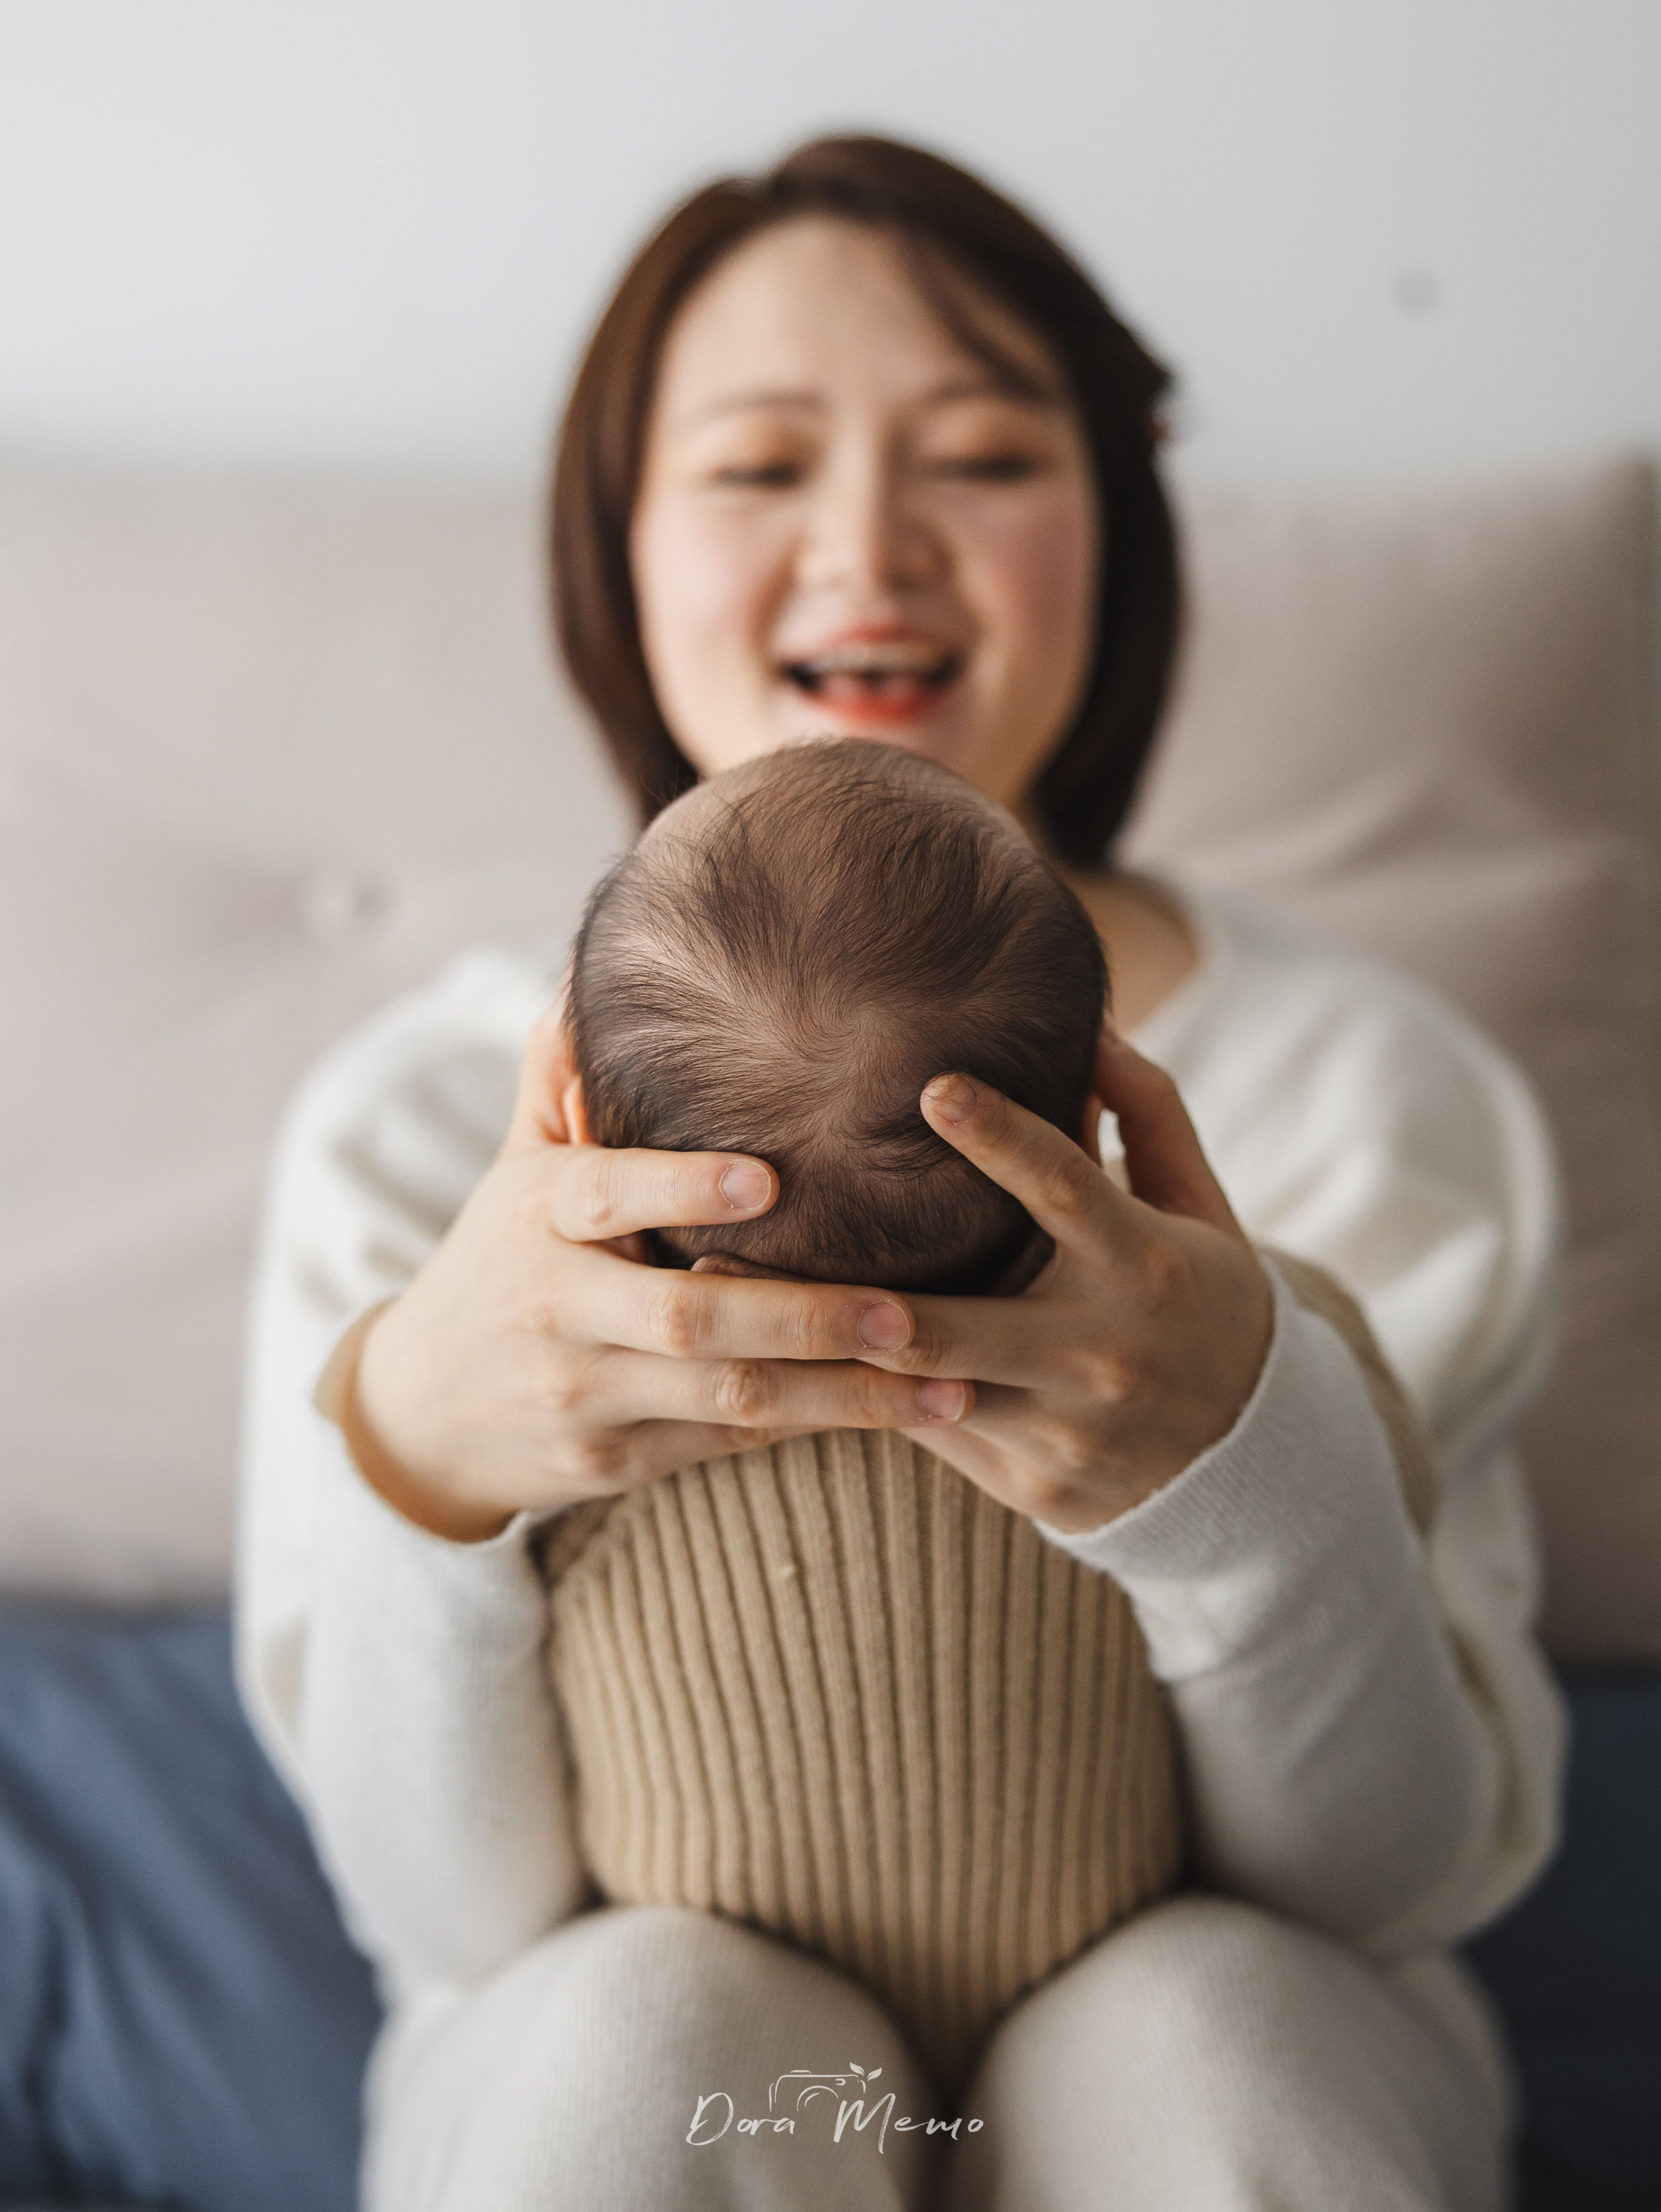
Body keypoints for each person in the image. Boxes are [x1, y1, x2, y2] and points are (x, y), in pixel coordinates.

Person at [237, 136, 1566, 2211]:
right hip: (636, 2064)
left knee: (1212, 2025)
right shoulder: (418, 1135)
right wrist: (420, 1455)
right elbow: (450, 1927)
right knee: (635, 2032)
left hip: (1252, 2036)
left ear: (1117, 530)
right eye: (760, 468)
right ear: (618, 548)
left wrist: (1258, 1462)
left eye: (983, 457)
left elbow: (1402, 1880)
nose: (869, 546)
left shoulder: (1379, 1102)